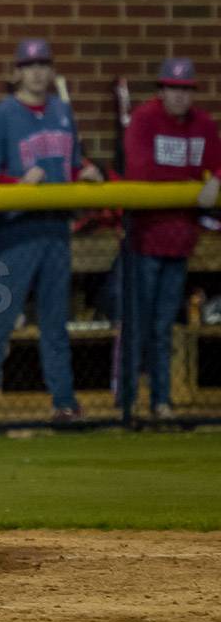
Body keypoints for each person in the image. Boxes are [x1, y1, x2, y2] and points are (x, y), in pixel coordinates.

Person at [0, 39, 103, 426]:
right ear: (17, 73)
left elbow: (70, 166)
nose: (38, 72)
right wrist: (18, 184)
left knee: (55, 322)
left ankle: (64, 402)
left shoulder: (62, 111)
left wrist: (85, 174)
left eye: (44, 64)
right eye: (30, 65)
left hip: (56, 228)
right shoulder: (1, 115)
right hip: (16, 231)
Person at [123, 58, 221, 419]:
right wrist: (192, 182)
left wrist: (215, 179)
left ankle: (161, 402)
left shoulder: (203, 124)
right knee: (138, 326)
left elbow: (217, 159)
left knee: (164, 326)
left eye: (185, 90)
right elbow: (141, 171)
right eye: (173, 89)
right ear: (161, 91)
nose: (179, 97)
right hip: (144, 240)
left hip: (180, 243)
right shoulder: (144, 119)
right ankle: (128, 403)